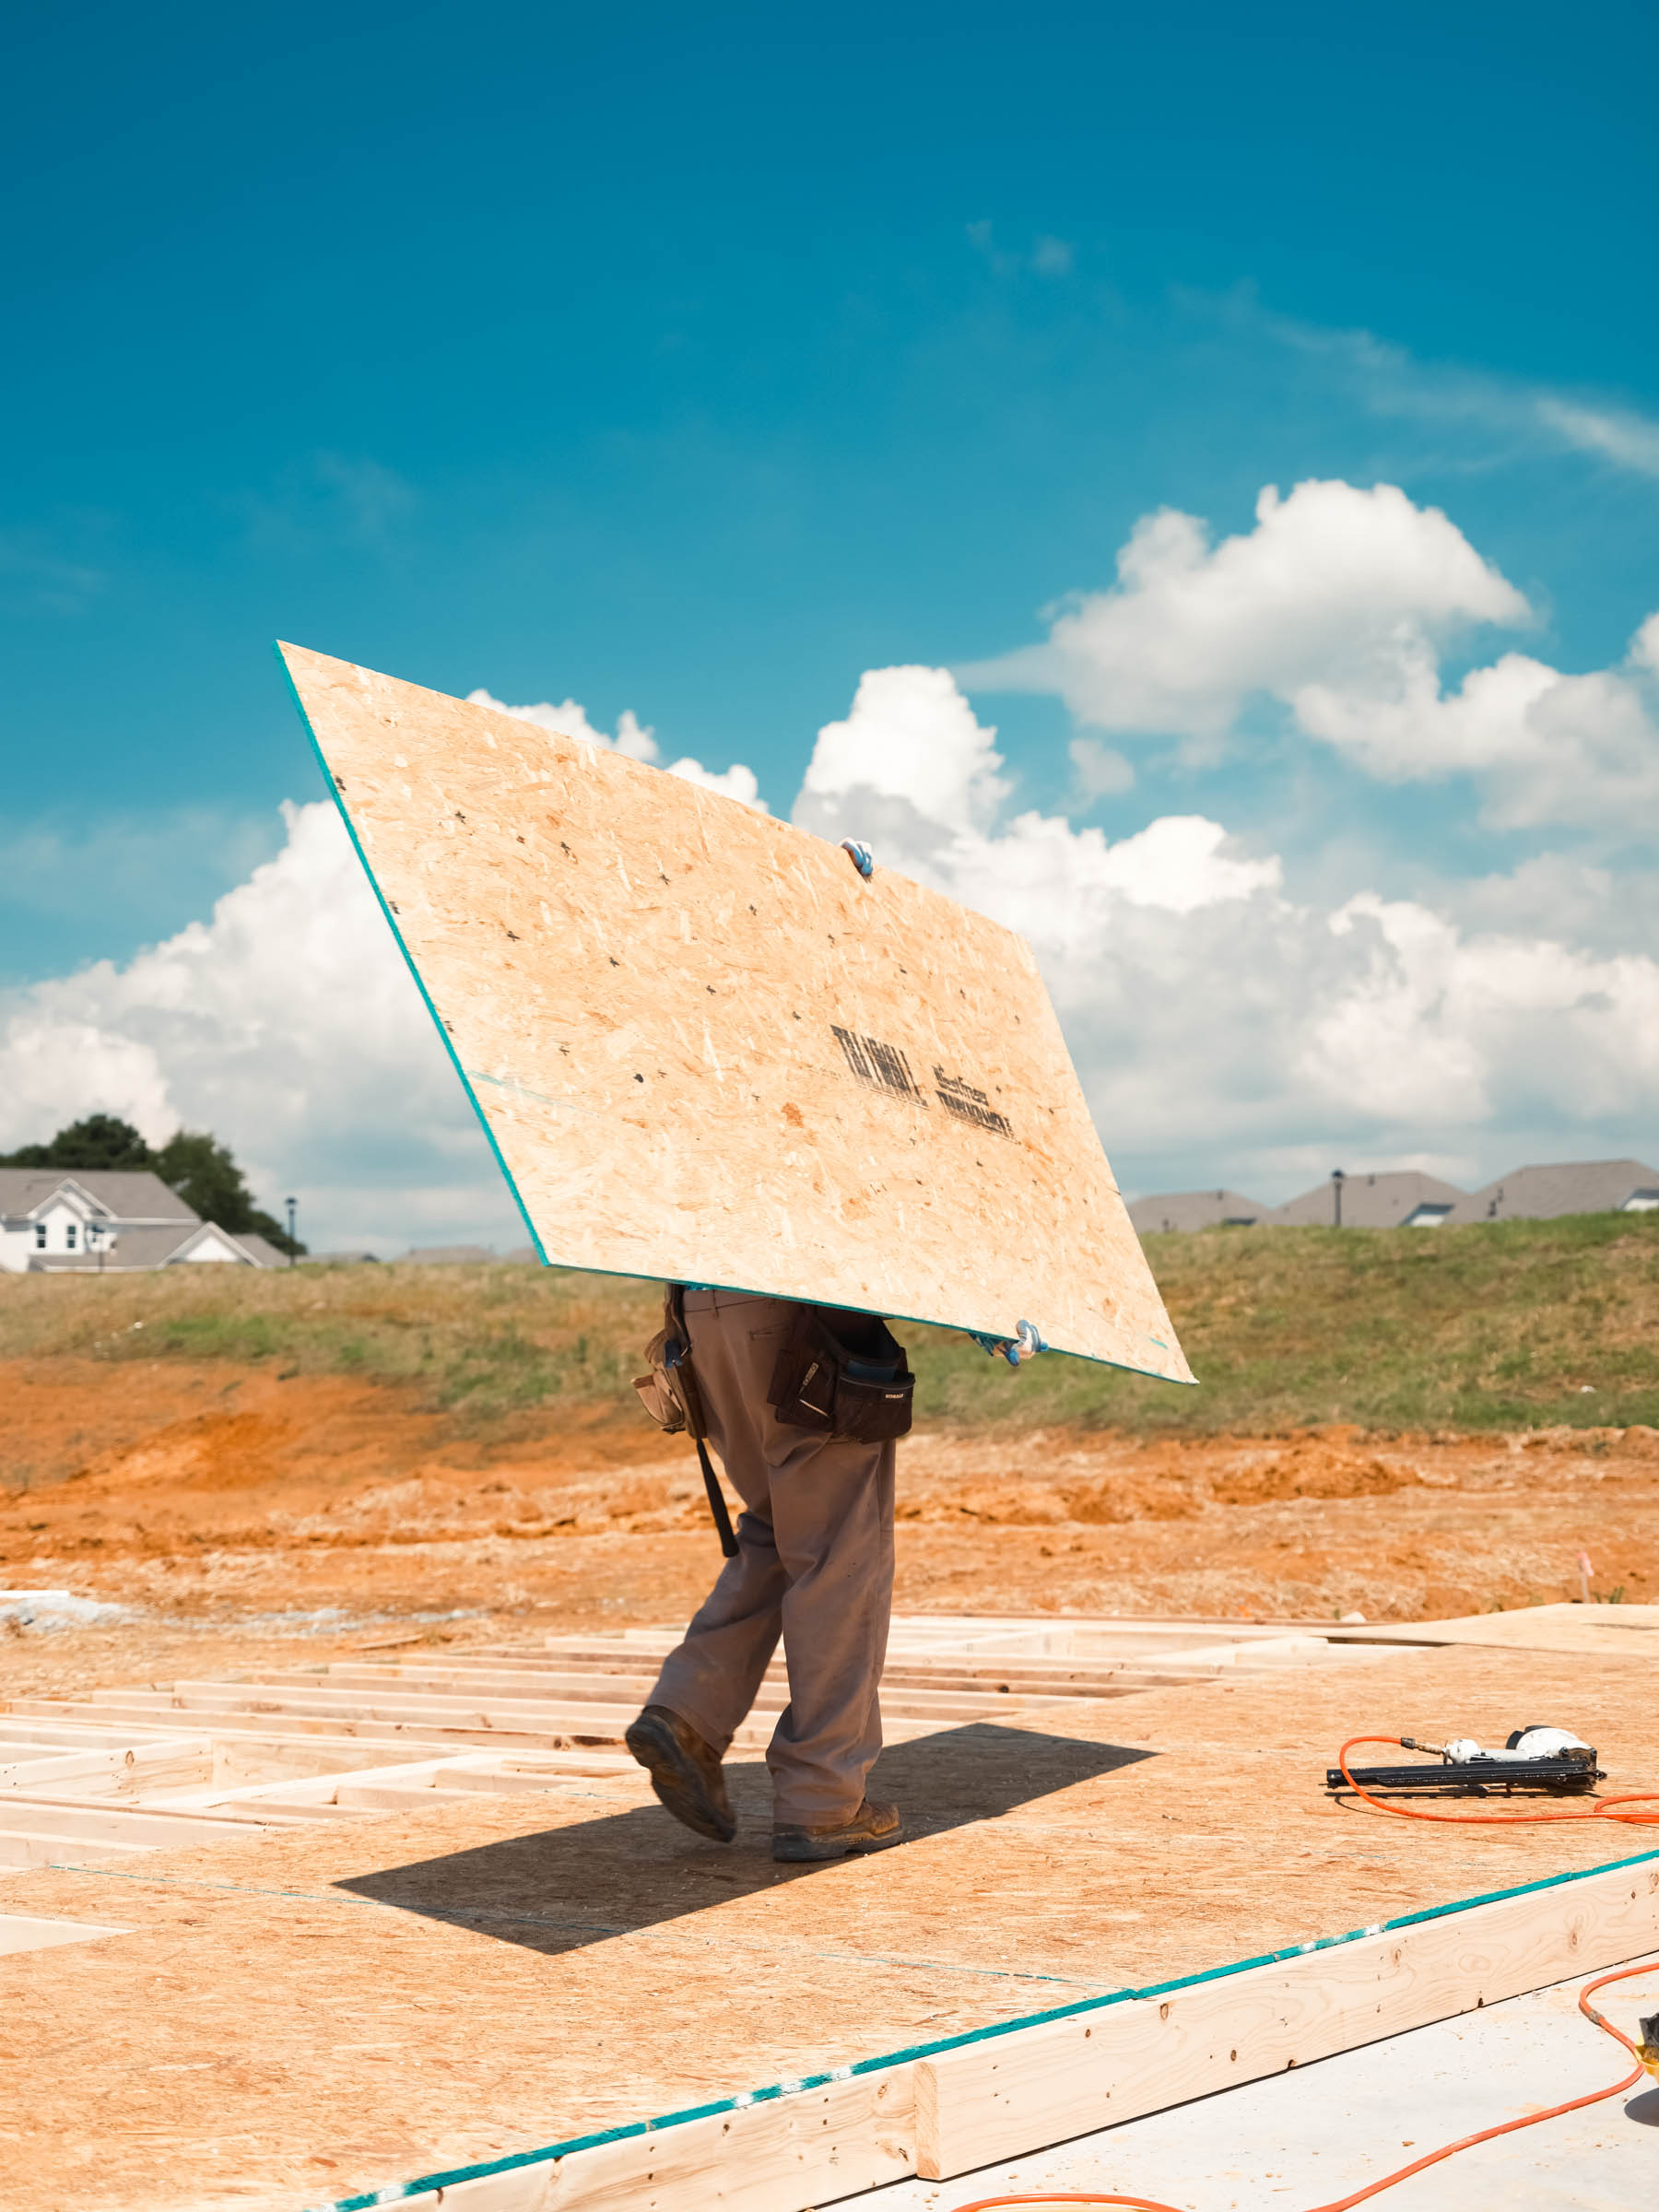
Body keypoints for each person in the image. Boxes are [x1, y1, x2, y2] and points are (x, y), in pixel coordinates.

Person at [625, 1288, 904, 1864]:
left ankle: (686, 1715)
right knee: (837, 1556)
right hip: (797, 1320)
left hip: (703, 1323)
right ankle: (823, 1799)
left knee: (778, 1527)